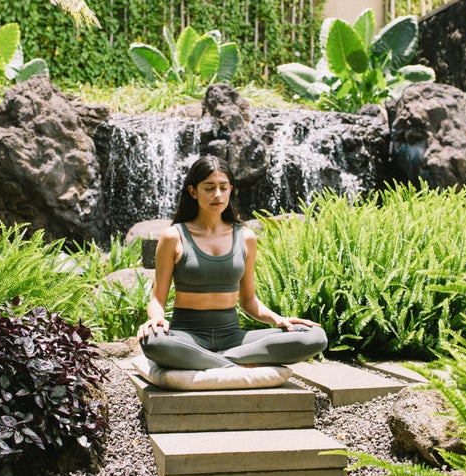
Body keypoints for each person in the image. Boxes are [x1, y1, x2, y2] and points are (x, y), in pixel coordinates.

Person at [137, 155, 327, 370]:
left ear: (231, 190)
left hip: (233, 337)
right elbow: (157, 299)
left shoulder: (246, 237)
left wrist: (278, 319)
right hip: (186, 336)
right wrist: (156, 319)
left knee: (314, 336)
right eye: (209, 188)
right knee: (153, 341)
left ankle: (212, 360)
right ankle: (233, 362)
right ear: (193, 191)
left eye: (223, 187)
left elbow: (249, 301)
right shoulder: (173, 236)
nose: (217, 195)